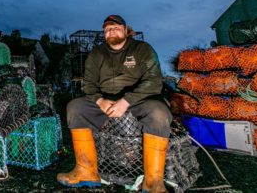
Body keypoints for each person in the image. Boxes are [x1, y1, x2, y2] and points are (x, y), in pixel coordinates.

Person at [57, 15, 171, 193]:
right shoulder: (97, 53)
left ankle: (153, 182)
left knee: (159, 113)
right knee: (75, 107)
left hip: (138, 100)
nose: (111, 31)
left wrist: (125, 101)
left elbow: (154, 81)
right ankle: (86, 171)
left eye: (116, 27)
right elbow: (88, 84)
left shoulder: (142, 49)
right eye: (107, 29)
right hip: (106, 101)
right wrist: (100, 100)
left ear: (126, 30)